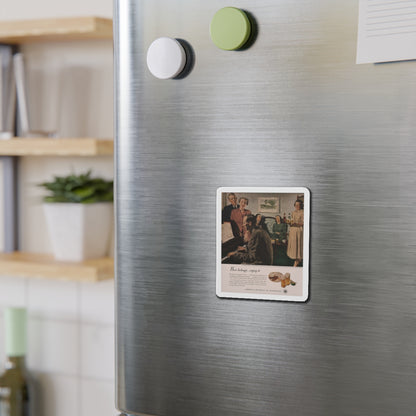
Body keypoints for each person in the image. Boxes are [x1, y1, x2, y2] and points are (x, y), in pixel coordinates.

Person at [287, 200, 304, 267]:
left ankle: (298, 259)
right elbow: (291, 220)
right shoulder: (293, 212)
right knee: (294, 245)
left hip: (298, 230)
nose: (297, 206)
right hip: (292, 230)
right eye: (296, 205)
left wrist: (296, 223)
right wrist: (290, 223)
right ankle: (296, 258)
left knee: (298, 245)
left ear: (301, 205)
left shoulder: (303, 212)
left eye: (298, 205)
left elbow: (303, 223)